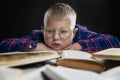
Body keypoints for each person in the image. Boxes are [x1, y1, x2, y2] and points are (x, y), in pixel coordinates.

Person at [0, 3, 120, 53]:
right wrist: (36, 46)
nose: (56, 37)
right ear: (43, 29)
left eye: (63, 32)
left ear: (74, 32)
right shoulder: (37, 36)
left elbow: (114, 41)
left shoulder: (81, 34)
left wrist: (78, 46)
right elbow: (4, 45)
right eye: (49, 31)